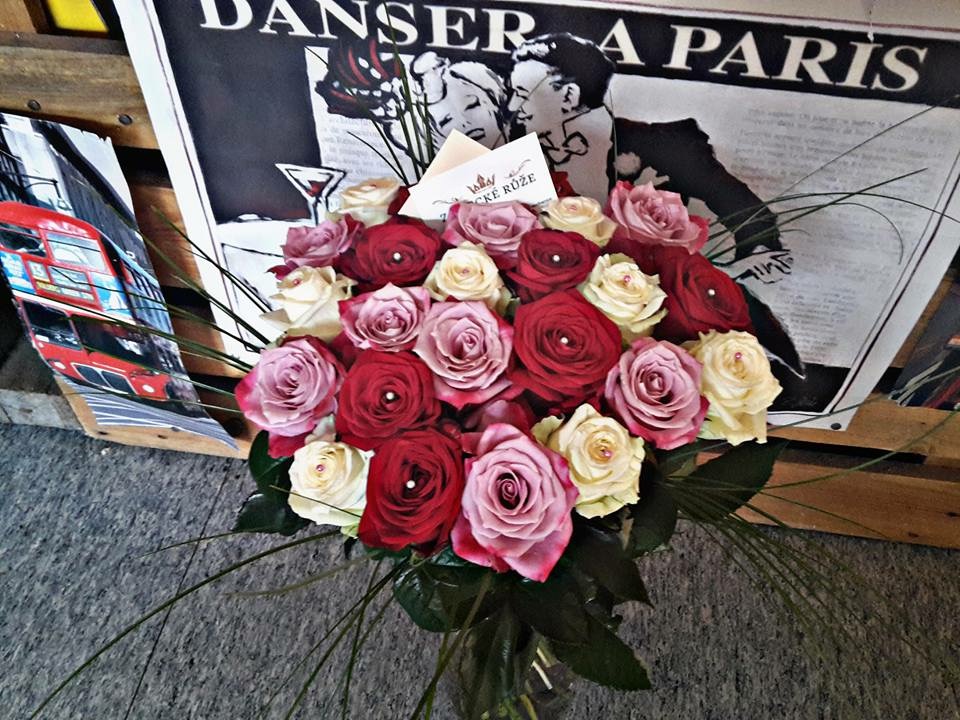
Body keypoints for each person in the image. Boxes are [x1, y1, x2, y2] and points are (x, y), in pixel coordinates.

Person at [507, 33, 790, 283]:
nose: (512, 106)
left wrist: (757, 252)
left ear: (569, 96)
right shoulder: (517, 144)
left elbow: (743, 207)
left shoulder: (666, 143)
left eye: (522, 95)